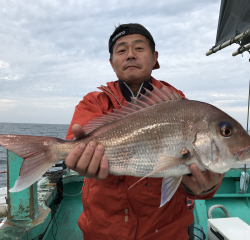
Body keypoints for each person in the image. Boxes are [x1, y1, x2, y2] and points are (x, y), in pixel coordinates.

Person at [65, 23, 225, 240]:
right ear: (112, 63)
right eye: (121, 50)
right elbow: (74, 149)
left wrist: (206, 187)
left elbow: (190, 180)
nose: (130, 55)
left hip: (167, 233)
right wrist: (75, 160)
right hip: (103, 233)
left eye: (139, 48)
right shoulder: (93, 103)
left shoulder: (182, 108)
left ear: (155, 57)